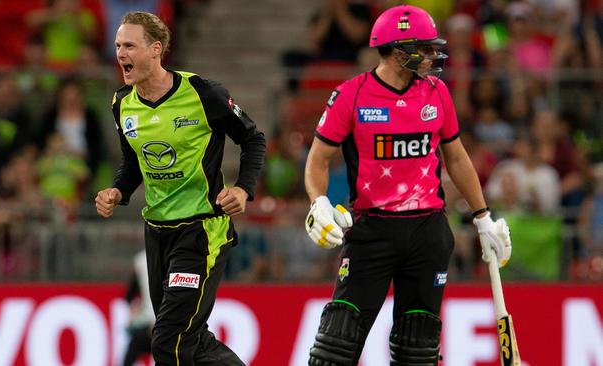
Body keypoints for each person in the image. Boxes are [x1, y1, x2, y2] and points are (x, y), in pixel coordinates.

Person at [303, 6, 512, 365]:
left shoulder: (437, 92)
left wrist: (482, 217)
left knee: (417, 349)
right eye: (426, 48)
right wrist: (318, 201)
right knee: (335, 347)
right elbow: (318, 159)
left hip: (427, 232)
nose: (433, 55)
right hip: (371, 231)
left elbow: (458, 158)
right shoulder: (352, 95)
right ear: (400, 51)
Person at [94, 12, 265, 366]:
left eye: (129, 45)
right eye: (117, 46)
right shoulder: (121, 104)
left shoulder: (203, 94)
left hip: (201, 230)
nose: (120, 53)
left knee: (168, 340)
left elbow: (253, 138)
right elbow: (132, 163)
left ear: (156, 50)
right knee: (188, 339)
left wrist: (243, 190)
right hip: (157, 232)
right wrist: (117, 191)